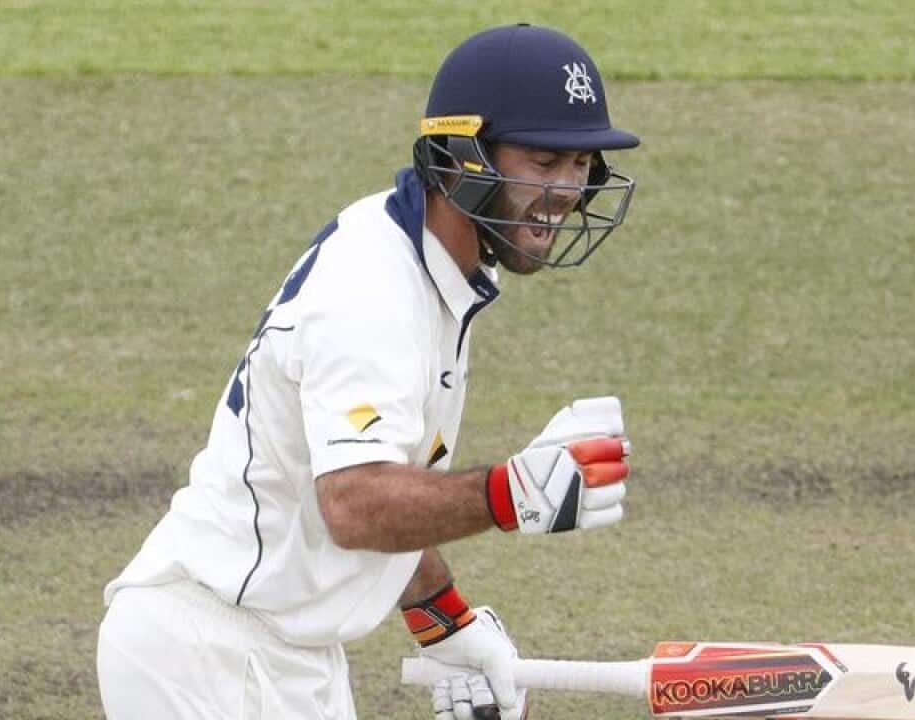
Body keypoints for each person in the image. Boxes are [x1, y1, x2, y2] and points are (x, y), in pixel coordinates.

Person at [97, 23, 640, 720]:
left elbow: (378, 479)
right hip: (208, 650)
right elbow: (354, 503)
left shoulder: (429, 268)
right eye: (542, 160)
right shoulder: (372, 290)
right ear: (461, 156)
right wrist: (509, 495)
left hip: (288, 653)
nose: (566, 189)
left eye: (580, 164)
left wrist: (445, 620)